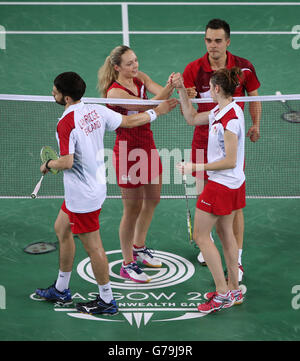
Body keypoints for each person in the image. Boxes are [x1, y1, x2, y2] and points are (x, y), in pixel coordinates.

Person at [35, 72, 177, 314]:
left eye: (55, 90)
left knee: (94, 249)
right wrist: (157, 112)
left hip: (82, 196)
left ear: (66, 97)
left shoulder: (65, 123)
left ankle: (106, 300)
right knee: (62, 229)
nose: (52, 93)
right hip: (93, 187)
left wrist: (48, 165)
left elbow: (67, 162)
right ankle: (61, 288)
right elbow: (130, 122)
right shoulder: (95, 110)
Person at [182, 19, 261, 280]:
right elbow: (192, 116)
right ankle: (214, 247)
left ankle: (235, 258)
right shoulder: (194, 68)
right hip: (203, 138)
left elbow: (256, 97)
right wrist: (185, 91)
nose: (212, 45)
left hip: (228, 141)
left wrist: (256, 124)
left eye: (217, 40)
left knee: (233, 207)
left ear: (227, 41)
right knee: (207, 196)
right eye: (208, 40)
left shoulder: (244, 68)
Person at [97, 45, 175, 283]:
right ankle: (127, 263)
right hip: (128, 152)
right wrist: (170, 90)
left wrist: (176, 88)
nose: (135, 66)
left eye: (136, 61)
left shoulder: (139, 78)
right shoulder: (114, 93)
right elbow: (146, 106)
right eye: (129, 64)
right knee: (131, 210)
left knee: (152, 199)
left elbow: (158, 92)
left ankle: (139, 247)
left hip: (147, 145)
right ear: (117, 67)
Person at [173, 68, 245, 314]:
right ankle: (233, 289)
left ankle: (223, 292)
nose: (208, 92)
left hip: (222, 183)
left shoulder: (230, 119)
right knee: (226, 236)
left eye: (209, 89)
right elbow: (191, 118)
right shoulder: (221, 110)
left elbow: (231, 160)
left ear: (216, 89)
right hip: (229, 184)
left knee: (201, 237)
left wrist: (195, 166)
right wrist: (182, 90)